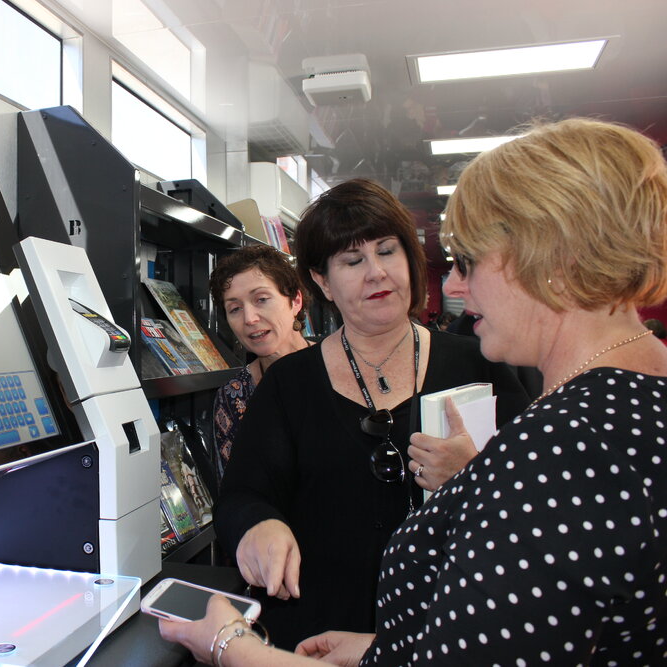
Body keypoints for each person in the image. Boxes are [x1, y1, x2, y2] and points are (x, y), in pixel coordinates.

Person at [160, 118, 667, 666]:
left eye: (468, 262)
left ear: (549, 259)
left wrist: (228, 646)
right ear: (322, 281)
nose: (451, 285)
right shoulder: (612, 415)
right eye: (352, 261)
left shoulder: (564, 441)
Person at [210, 178, 530, 650]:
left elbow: (535, 496)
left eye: (387, 251)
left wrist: (473, 475)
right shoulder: (289, 383)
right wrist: (258, 524)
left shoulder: (479, 361)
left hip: (448, 631)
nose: (377, 273)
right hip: (313, 637)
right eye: (353, 261)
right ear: (321, 282)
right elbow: (241, 494)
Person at [210, 245, 312, 478]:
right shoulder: (232, 397)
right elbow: (233, 491)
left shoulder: (340, 368)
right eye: (234, 309)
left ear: (295, 301)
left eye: (262, 299)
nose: (250, 318)